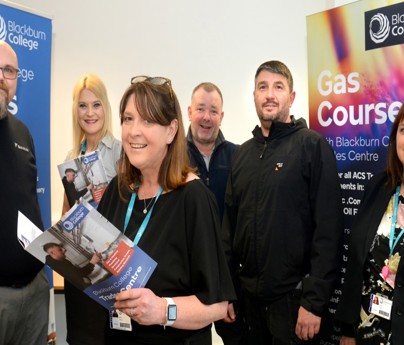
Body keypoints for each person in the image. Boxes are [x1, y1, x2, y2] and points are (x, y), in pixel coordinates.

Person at [96, 75, 236, 345]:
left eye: (147, 120)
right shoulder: (118, 190)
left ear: (171, 131)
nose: (134, 131)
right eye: (128, 119)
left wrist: (162, 310)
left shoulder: (193, 198)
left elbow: (217, 305)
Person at [222, 60, 343, 344]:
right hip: (247, 304)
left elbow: (329, 231)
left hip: (294, 304)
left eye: (278, 87)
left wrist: (313, 303)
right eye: (262, 87)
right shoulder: (242, 155)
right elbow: (228, 230)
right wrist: (226, 292)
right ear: (253, 95)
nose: (269, 94)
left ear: (291, 97)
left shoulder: (312, 147)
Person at [335, 104, 404, 345]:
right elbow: (356, 262)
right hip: (365, 329)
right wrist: (347, 328)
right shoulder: (379, 187)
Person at [62, 73, 122, 345]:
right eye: (83, 105)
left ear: (105, 108)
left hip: (114, 270)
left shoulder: (122, 153)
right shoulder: (70, 158)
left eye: (96, 104)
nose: (89, 113)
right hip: (81, 270)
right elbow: (66, 214)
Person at [0, 41, 50, 344]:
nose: (2, 78)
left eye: (9, 71)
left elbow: (28, 202)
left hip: (34, 292)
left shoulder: (23, 133)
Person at [187, 82, 243, 344]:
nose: (206, 117)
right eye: (200, 109)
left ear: (222, 116)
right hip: (187, 279)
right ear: (189, 112)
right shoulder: (171, 158)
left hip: (229, 277)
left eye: (213, 111)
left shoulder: (239, 156)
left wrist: (231, 287)